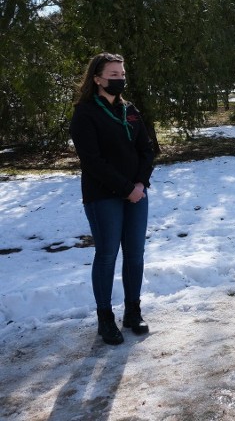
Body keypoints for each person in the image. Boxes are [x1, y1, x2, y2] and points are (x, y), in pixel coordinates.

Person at [70, 52, 155, 345]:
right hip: (103, 195)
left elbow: (147, 149)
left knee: (135, 254)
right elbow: (92, 161)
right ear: (97, 79)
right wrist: (126, 188)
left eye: (122, 74)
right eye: (113, 75)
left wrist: (141, 183)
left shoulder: (129, 110)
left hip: (137, 193)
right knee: (107, 255)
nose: (119, 79)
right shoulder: (85, 113)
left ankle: (133, 311)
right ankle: (105, 318)